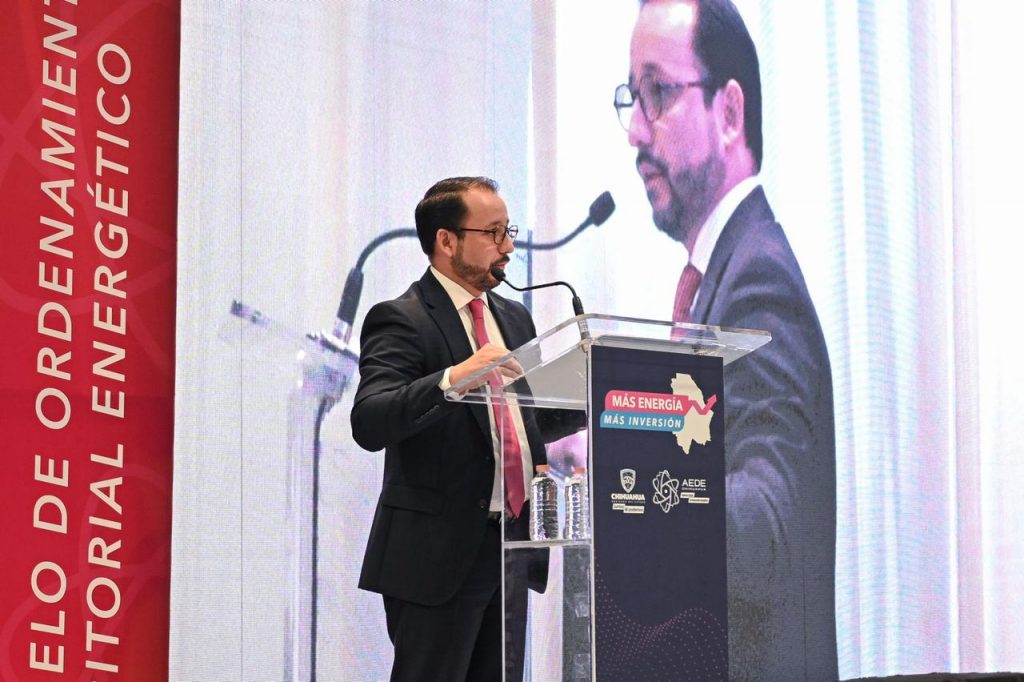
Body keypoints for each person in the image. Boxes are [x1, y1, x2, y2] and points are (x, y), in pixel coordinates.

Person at [614, 1, 838, 679]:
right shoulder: (723, 275)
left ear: (730, 113)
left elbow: (766, 527)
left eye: (658, 92)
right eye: (631, 97)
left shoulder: (758, 280)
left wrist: (620, 460)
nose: (635, 130)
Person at [351, 176, 579, 681]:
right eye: (493, 233)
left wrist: (594, 394)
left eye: (508, 231)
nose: (508, 247)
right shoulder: (402, 318)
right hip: (436, 557)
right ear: (447, 241)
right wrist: (454, 378)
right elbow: (370, 419)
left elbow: (524, 420)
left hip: (510, 548)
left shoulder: (515, 320)